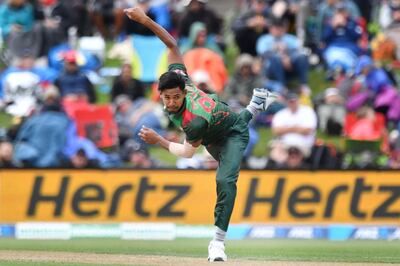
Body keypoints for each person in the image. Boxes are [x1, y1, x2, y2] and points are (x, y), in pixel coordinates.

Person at [124, 6, 277, 262]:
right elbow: (172, 44)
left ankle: (217, 243)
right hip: (220, 120)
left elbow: (186, 152)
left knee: (225, 181)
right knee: (223, 135)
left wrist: (159, 140)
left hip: (231, 135)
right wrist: (144, 20)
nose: (171, 102)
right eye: (167, 97)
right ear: (161, 94)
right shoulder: (180, 79)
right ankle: (254, 105)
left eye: (175, 97)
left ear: (184, 92)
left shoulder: (191, 120)